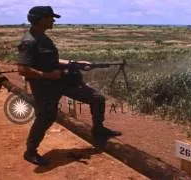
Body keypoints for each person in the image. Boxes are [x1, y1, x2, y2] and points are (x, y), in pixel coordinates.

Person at [17, 6, 122, 166]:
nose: (53, 20)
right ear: (39, 19)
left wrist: (75, 64)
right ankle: (30, 152)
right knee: (46, 117)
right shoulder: (29, 41)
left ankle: (98, 130)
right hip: (44, 87)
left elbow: (53, 61)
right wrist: (48, 75)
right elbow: (22, 70)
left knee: (97, 98)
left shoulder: (43, 38)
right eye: (50, 17)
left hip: (61, 81)